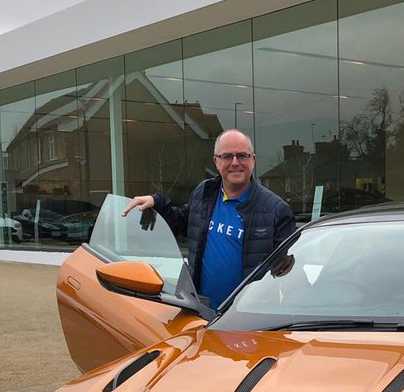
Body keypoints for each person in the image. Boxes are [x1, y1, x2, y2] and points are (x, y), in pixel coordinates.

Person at [122, 130, 295, 308]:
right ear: (216, 162)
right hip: (200, 312)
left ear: (253, 160)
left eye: (242, 156)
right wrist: (157, 202)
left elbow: (287, 274)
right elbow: (185, 223)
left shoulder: (276, 211)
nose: (235, 163)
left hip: (247, 320)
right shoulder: (205, 192)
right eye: (227, 156)